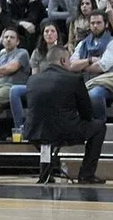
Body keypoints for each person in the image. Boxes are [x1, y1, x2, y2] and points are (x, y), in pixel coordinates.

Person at [24, 46, 106, 184]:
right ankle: (86, 174)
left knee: (46, 137)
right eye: (69, 60)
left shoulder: (32, 80)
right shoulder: (74, 79)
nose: (70, 64)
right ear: (63, 61)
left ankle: (45, 174)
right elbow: (87, 113)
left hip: (34, 133)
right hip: (64, 131)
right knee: (99, 127)